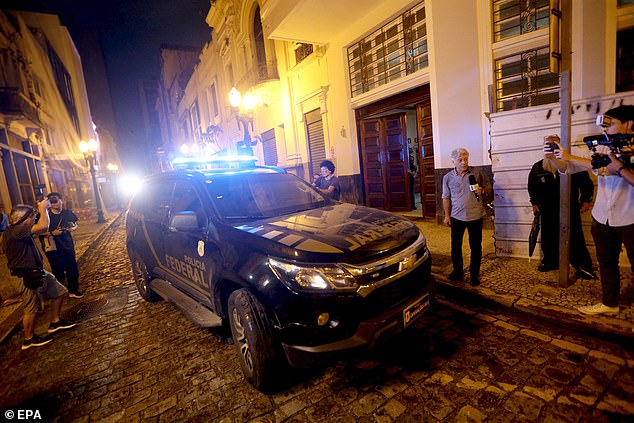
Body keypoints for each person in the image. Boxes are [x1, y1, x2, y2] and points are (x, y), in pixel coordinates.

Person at [548, 105, 634, 316]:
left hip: (630, 217)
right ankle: (610, 304)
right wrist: (557, 157)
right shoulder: (604, 146)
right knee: (606, 263)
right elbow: (570, 167)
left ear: (629, 124)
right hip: (602, 216)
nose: (607, 128)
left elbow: (607, 168)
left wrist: (620, 168)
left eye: (612, 123)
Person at [2, 201, 76, 350]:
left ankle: (55, 322)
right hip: (24, 275)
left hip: (36, 271)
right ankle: (28, 339)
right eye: (31, 217)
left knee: (59, 291)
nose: (34, 219)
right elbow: (44, 226)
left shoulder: (18, 230)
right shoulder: (16, 231)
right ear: (21, 219)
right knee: (32, 306)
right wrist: (43, 209)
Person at [528, 142, 597, 279]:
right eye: (548, 146)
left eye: (554, 145)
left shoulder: (572, 165)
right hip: (547, 209)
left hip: (570, 207)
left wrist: (586, 200)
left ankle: (583, 266)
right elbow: (532, 186)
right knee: (548, 236)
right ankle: (551, 262)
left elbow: (586, 183)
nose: (551, 149)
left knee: (575, 237)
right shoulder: (538, 167)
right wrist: (534, 203)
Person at [442, 147, 490, 286]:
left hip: (476, 215)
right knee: (455, 246)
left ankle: (474, 275)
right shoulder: (447, 178)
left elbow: (488, 187)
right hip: (457, 217)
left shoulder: (477, 172)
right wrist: (446, 216)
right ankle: (457, 272)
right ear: (453, 162)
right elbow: (446, 198)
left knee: (475, 246)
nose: (464, 162)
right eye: (460, 160)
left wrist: (483, 190)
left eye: (466, 159)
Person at [39, 192, 83, 298]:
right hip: (52, 247)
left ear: (61, 200)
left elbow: (75, 224)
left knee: (72, 267)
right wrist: (52, 233)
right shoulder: (45, 215)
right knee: (57, 270)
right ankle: (59, 292)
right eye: (52, 201)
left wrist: (72, 228)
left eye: (57, 200)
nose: (55, 203)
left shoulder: (67, 213)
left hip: (67, 244)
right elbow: (37, 230)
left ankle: (73, 290)